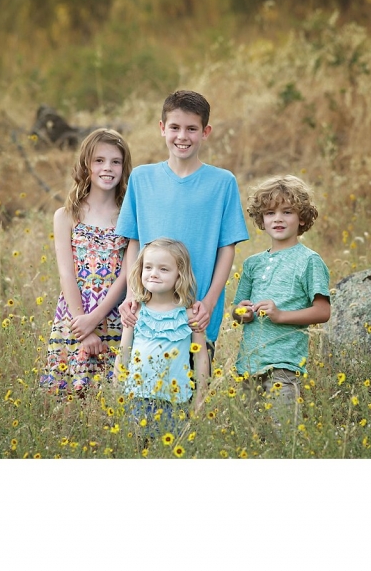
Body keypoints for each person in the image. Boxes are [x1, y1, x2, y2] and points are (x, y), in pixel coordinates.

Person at [115, 90, 249, 361]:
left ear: (205, 132)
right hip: (149, 309)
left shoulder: (222, 183)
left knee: (194, 389)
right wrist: (131, 294)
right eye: (175, 127)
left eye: (191, 129)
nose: (182, 136)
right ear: (162, 128)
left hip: (196, 312)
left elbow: (227, 248)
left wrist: (210, 302)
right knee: (143, 391)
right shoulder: (142, 178)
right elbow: (134, 242)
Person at [232, 175, 331, 432]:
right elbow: (236, 310)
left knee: (284, 432)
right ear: (261, 220)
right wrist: (243, 312)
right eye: (270, 213)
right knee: (251, 434)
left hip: (284, 364)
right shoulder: (253, 263)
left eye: (287, 212)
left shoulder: (309, 260)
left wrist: (281, 315)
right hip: (250, 363)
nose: (277, 218)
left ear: (302, 218)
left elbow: (323, 311)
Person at [40, 128, 132, 397]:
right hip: (74, 318)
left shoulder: (129, 216)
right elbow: (67, 274)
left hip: (115, 316)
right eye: (99, 161)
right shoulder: (67, 215)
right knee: (69, 402)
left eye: (115, 162)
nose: (108, 168)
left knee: (111, 401)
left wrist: (96, 318)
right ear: (86, 165)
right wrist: (83, 325)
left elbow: (127, 274)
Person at [115, 238, 210, 438]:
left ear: (179, 275)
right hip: (137, 398)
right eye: (148, 267)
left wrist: (201, 397)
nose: (154, 274)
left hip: (176, 401)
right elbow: (124, 352)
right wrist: (116, 389)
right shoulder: (136, 311)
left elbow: (201, 357)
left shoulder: (190, 314)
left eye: (164, 269)